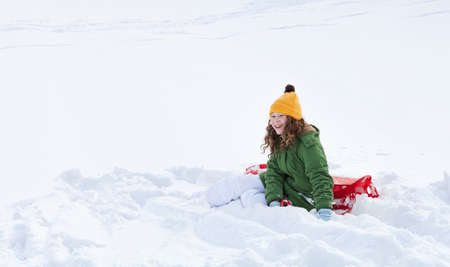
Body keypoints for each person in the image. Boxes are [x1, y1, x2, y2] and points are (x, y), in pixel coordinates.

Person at [206, 84, 334, 221]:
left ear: (292, 119)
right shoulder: (281, 138)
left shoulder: (309, 145)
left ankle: (267, 218)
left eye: (281, 115)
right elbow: (274, 170)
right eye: (273, 116)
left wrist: (324, 209)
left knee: (250, 197)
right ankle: (208, 201)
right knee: (242, 185)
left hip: (299, 195)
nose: (276, 120)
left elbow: (320, 176)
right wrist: (274, 198)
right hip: (284, 185)